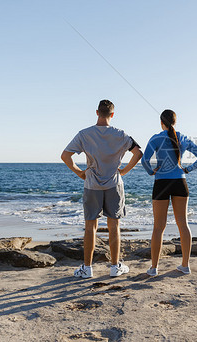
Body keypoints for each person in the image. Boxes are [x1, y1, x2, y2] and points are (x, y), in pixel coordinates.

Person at [61, 99, 142, 279]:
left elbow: (65, 156)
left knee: (91, 227)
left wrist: (80, 173)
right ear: (112, 115)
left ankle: (87, 268)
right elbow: (138, 153)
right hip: (114, 184)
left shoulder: (84, 134)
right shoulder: (120, 134)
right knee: (114, 226)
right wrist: (124, 171)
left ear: (97, 112)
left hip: (92, 185)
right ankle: (114, 266)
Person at [141, 109, 197, 276]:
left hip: (161, 183)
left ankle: (154, 268)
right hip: (180, 182)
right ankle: (185, 265)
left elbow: (144, 160)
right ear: (175, 122)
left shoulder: (156, 138)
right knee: (183, 224)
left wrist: (151, 172)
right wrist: (187, 169)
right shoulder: (183, 138)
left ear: (161, 122)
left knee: (158, 227)